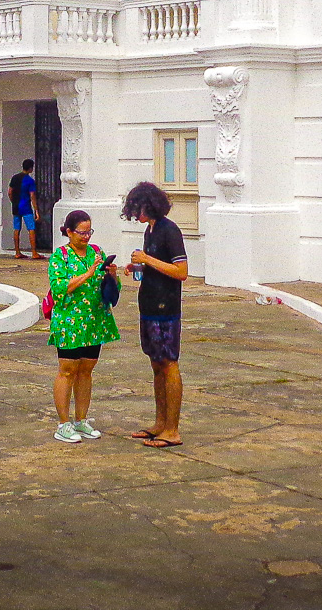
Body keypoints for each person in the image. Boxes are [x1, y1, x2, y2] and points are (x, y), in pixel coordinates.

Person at [124, 182, 189, 449]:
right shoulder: (150, 230)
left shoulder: (169, 230)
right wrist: (137, 265)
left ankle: (172, 429)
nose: (135, 214)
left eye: (138, 208)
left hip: (166, 308)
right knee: (155, 364)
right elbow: (156, 265)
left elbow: (181, 271)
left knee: (168, 363)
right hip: (149, 304)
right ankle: (160, 422)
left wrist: (148, 261)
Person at [48, 211, 118, 443]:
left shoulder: (97, 253)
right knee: (67, 370)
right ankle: (63, 423)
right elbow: (59, 289)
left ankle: (81, 420)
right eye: (81, 233)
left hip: (94, 321)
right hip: (69, 322)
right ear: (69, 232)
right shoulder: (60, 256)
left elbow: (111, 286)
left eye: (89, 232)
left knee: (86, 370)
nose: (86, 237)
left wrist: (113, 275)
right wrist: (88, 273)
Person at [7, 160, 42, 260]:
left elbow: (10, 192)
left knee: (16, 228)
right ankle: (34, 252)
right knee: (31, 229)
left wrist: (13, 202)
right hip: (26, 207)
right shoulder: (30, 181)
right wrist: (36, 210)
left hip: (16, 206)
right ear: (31, 168)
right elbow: (32, 196)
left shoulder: (14, 178)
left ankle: (17, 252)